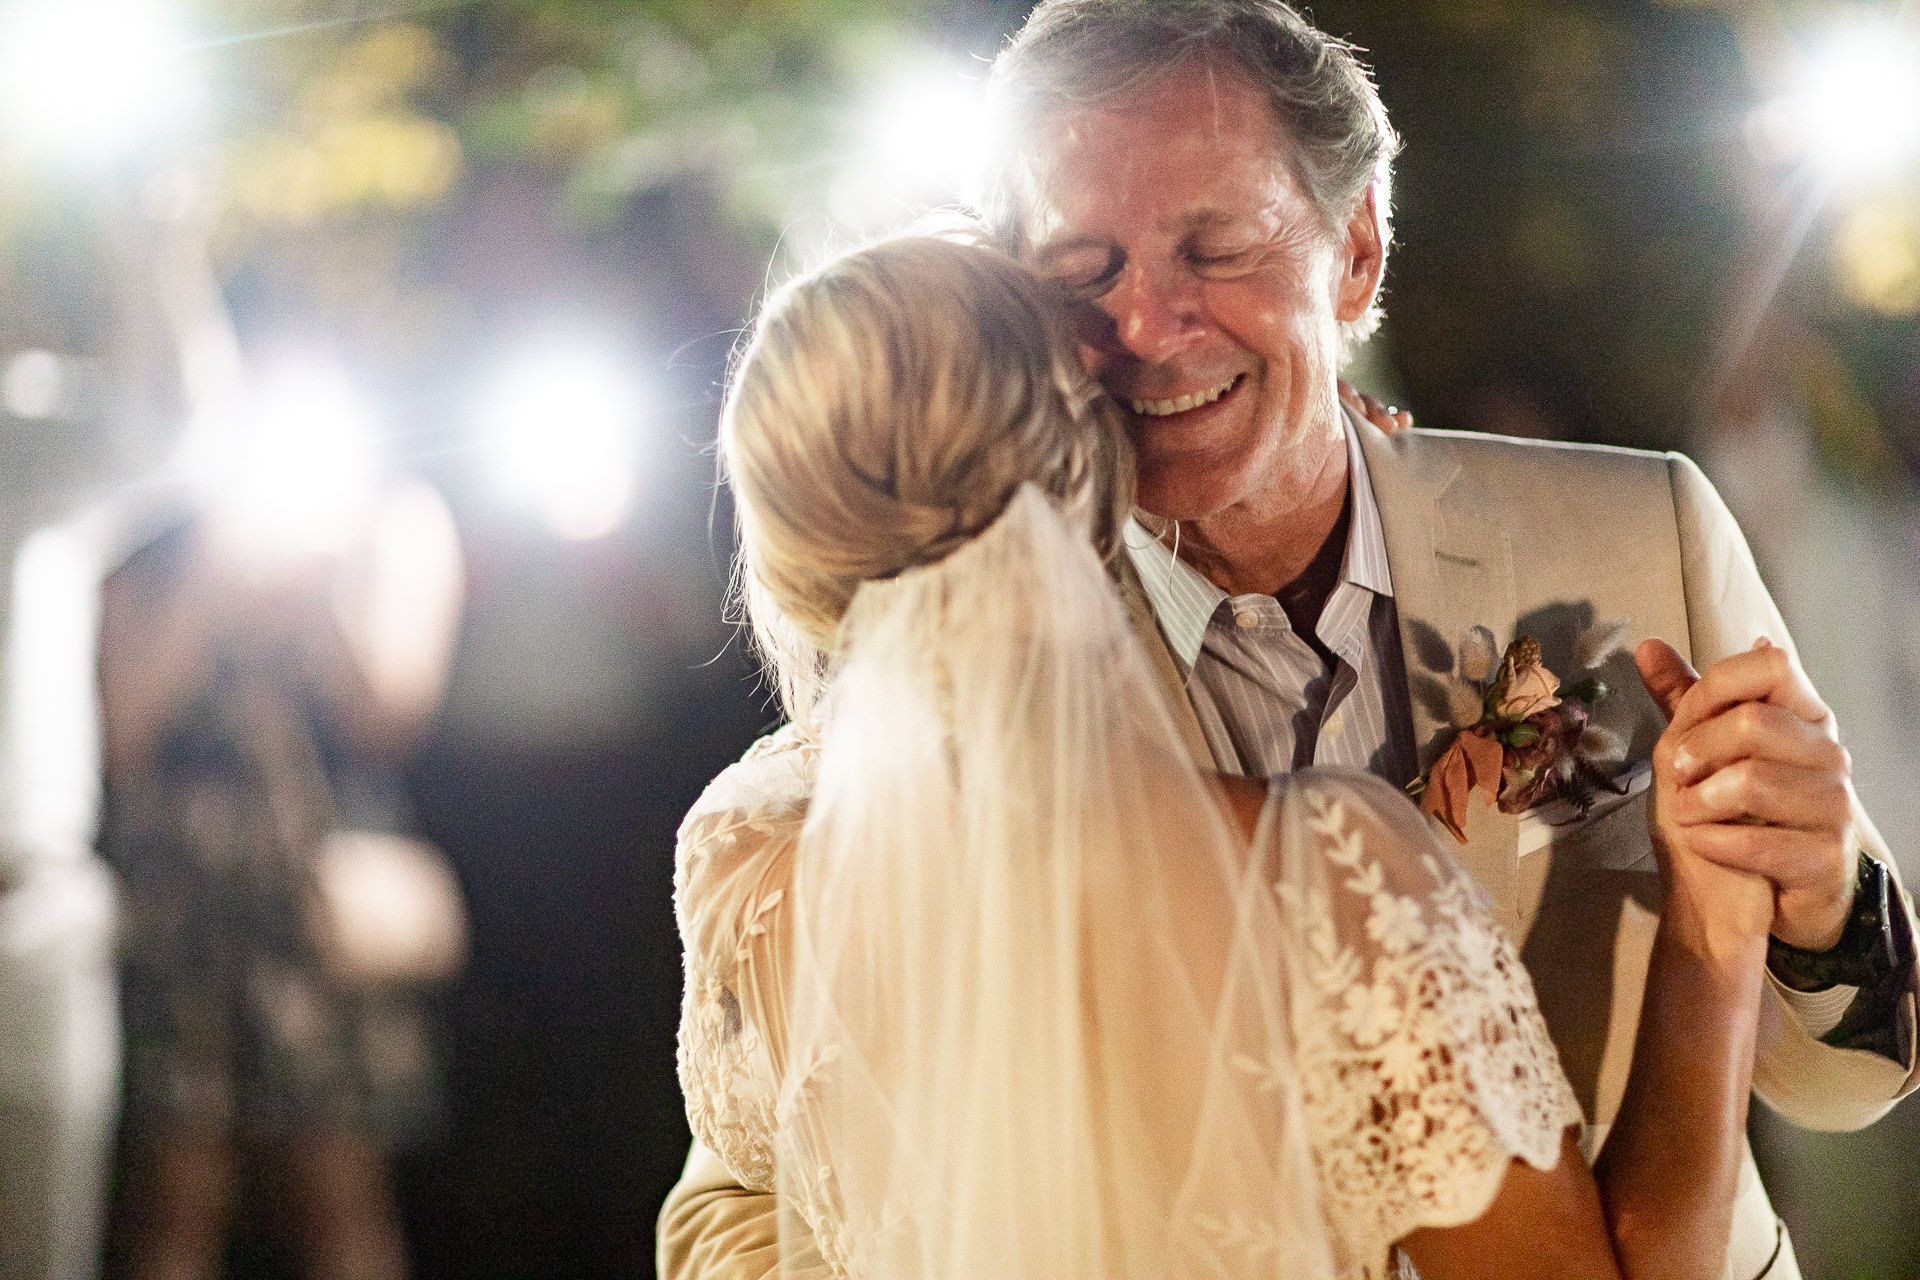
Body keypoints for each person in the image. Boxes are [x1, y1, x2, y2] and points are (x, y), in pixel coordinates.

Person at [661, 4, 1919, 1277]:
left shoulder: (1641, 532)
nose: (1149, 324)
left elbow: (1853, 1078)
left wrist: (1819, 901)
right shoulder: (930, 707)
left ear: (1357, 249)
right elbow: (737, 1202)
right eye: (1085, 269)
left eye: (1214, 248)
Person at [97, 477, 463, 1280]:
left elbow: (392, 714)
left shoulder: (392, 519)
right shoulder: (151, 527)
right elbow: (121, 728)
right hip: (178, 904)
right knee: (174, 1195)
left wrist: (322, 582)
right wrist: (209, 569)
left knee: (339, 1195)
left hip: (320, 905)